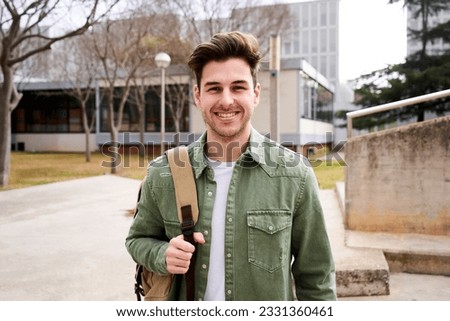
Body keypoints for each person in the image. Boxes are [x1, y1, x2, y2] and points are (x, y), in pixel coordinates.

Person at [126, 31, 336, 301]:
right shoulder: (163, 172)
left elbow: (317, 277)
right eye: (214, 88)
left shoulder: (295, 174)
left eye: (238, 87)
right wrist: (160, 255)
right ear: (198, 95)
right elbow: (137, 240)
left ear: (255, 94)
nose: (226, 100)